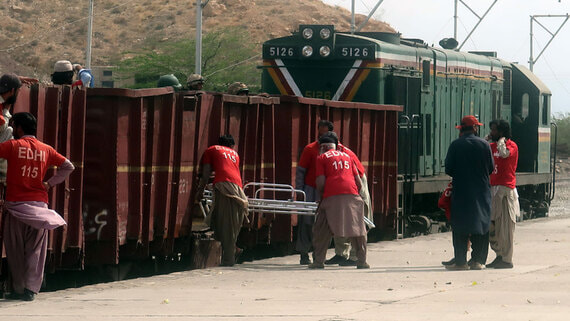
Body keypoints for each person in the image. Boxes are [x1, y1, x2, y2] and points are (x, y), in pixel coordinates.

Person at [1, 112, 75, 301]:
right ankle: (30, 290)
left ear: (18, 128)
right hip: (39, 208)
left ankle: (18, 289)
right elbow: (69, 166)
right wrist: (49, 183)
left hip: (16, 207)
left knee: (15, 250)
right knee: (36, 250)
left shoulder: (12, 146)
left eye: (14, 126)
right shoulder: (46, 149)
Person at [309, 132, 369, 269]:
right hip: (353, 195)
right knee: (358, 230)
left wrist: (322, 197)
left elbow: (320, 182)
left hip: (331, 196)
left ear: (323, 147)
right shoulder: (348, 157)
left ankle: (318, 262)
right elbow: (358, 182)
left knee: (321, 229)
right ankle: (362, 261)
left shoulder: (321, 157)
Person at [444, 115, 494, 270]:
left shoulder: (455, 145)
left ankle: (460, 262)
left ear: (461, 129)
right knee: (481, 223)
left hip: (462, 191)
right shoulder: (484, 145)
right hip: (481, 191)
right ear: (475, 128)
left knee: (460, 225)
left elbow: (448, 169)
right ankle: (478, 260)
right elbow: (491, 168)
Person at [195, 134, 248, 267]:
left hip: (224, 187)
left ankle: (228, 259)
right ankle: (233, 249)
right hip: (238, 189)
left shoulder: (211, 149)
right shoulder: (235, 154)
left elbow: (206, 173)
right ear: (230, 146)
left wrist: (200, 191)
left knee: (224, 223)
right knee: (230, 223)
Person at [324, 138, 372, 266]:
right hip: (346, 186)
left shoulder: (345, 154)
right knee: (340, 220)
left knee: (356, 222)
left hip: (357, 184)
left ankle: (356, 257)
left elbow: (358, 178)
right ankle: (341, 254)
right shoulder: (329, 154)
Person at [295, 120, 333, 265]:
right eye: (319, 133)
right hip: (310, 189)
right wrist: (300, 190)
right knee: (306, 222)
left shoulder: (336, 149)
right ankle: (304, 253)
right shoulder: (310, 149)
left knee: (323, 223)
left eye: (324, 134)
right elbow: (301, 171)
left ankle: (319, 255)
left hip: (328, 190)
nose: (321, 137)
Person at [487, 120, 519, 269]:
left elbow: (504, 154)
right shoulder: (491, 146)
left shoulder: (511, 146)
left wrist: (501, 141)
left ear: (502, 132)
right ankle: (499, 254)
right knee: (492, 226)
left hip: (505, 190)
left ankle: (507, 259)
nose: (492, 132)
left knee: (505, 227)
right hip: (492, 189)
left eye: (494, 130)